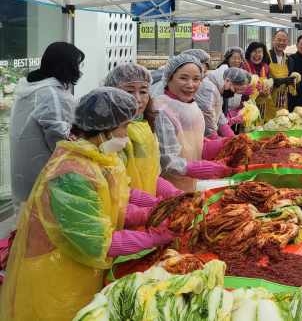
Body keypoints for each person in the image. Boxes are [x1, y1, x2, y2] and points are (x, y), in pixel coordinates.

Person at [0, 88, 175, 321]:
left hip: (80, 268)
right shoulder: (70, 174)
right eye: (123, 126)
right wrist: (155, 236)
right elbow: (96, 242)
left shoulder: (98, 158)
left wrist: (153, 211)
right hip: (55, 277)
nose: (127, 132)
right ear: (103, 130)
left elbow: (118, 199)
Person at [8, 42, 84, 238]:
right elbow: (59, 137)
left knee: (27, 225)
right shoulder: (51, 94)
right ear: (66, 65)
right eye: (77, 64)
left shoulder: (31, 87)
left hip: (25, 170)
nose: (78, 69)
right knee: (44, 229)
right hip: (44, 169)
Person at [103, 63, 183, 202]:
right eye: (129, 91)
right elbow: (112, 186)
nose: (138, 99)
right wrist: (147, 204)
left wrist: (174, 193)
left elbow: (149, 172)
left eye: (143, 92)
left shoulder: (145, 126)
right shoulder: (108, 135)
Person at [153, 54, 232, 192]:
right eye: (183, 78)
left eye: (196, 79)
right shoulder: (162, 109)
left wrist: (220, 145)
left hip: (190, 185)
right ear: (169, 78)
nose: (191, 85)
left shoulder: (190, 104)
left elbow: (191, 142)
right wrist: (195, 168)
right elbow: (167, 161)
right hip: (169, 190)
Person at [208, 67, 252, 136]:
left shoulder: (220, 90)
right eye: (235, 89)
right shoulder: (209, 90)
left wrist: (232, 137)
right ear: (228, 81)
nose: (234, 93)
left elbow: (219, 115)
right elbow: (209, 119)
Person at [209, 47, 244, 130]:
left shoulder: (238, 72)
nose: (236, 61)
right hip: (221, 112)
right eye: (234, 58)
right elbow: (224, 93)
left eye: (239, 58)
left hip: (232, 113)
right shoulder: (223, 71)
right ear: (228, 59)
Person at [267, 30, 297, 120]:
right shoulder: (266, 56)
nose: (281, 42)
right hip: (268, 99)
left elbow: (290, 78)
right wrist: (282, 81)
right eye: (279, 40)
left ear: (287, 42)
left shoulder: (289, 60)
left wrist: (293, 81)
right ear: (273, 40)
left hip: (283, 100)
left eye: (284, 40)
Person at [243, 42, 272, 119]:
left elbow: (269, 83)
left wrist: (267, 89)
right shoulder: (243, 66)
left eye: (260, 52)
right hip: (246, 105)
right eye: (254, 51)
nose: (257, 54)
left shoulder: (266, 67)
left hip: (262, 105)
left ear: (263, 54)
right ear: (249, 53)